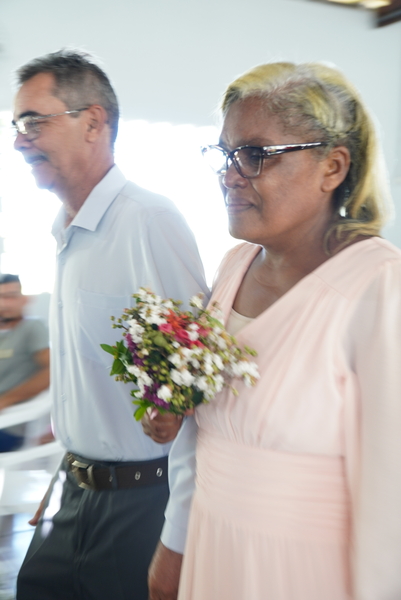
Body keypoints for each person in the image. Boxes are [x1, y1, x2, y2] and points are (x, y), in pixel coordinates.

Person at [148, 62, 401, 600]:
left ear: (332, 167)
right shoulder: (234, 266)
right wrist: (175, 545)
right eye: (225, 154)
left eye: (255, 154)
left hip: (303, 571)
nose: (229, 175)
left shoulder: (379, 286)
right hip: (213, 547)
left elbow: (391, 497)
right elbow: (208, 435)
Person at [12, 49, 209, 600]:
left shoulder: (148, 220)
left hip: (140, 505)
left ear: (93, 122)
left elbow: (200, 368)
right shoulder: (62, 230)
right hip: (72, 493)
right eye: (17, 125)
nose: (20, 141)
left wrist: (181, 532)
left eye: (33, 122)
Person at [0, 273, 50, 452]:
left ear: (24, 299)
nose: (4, 304)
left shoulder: (31, 328)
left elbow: (51, 372)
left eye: (11, 296)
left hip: (8, 425)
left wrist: (5, 400)